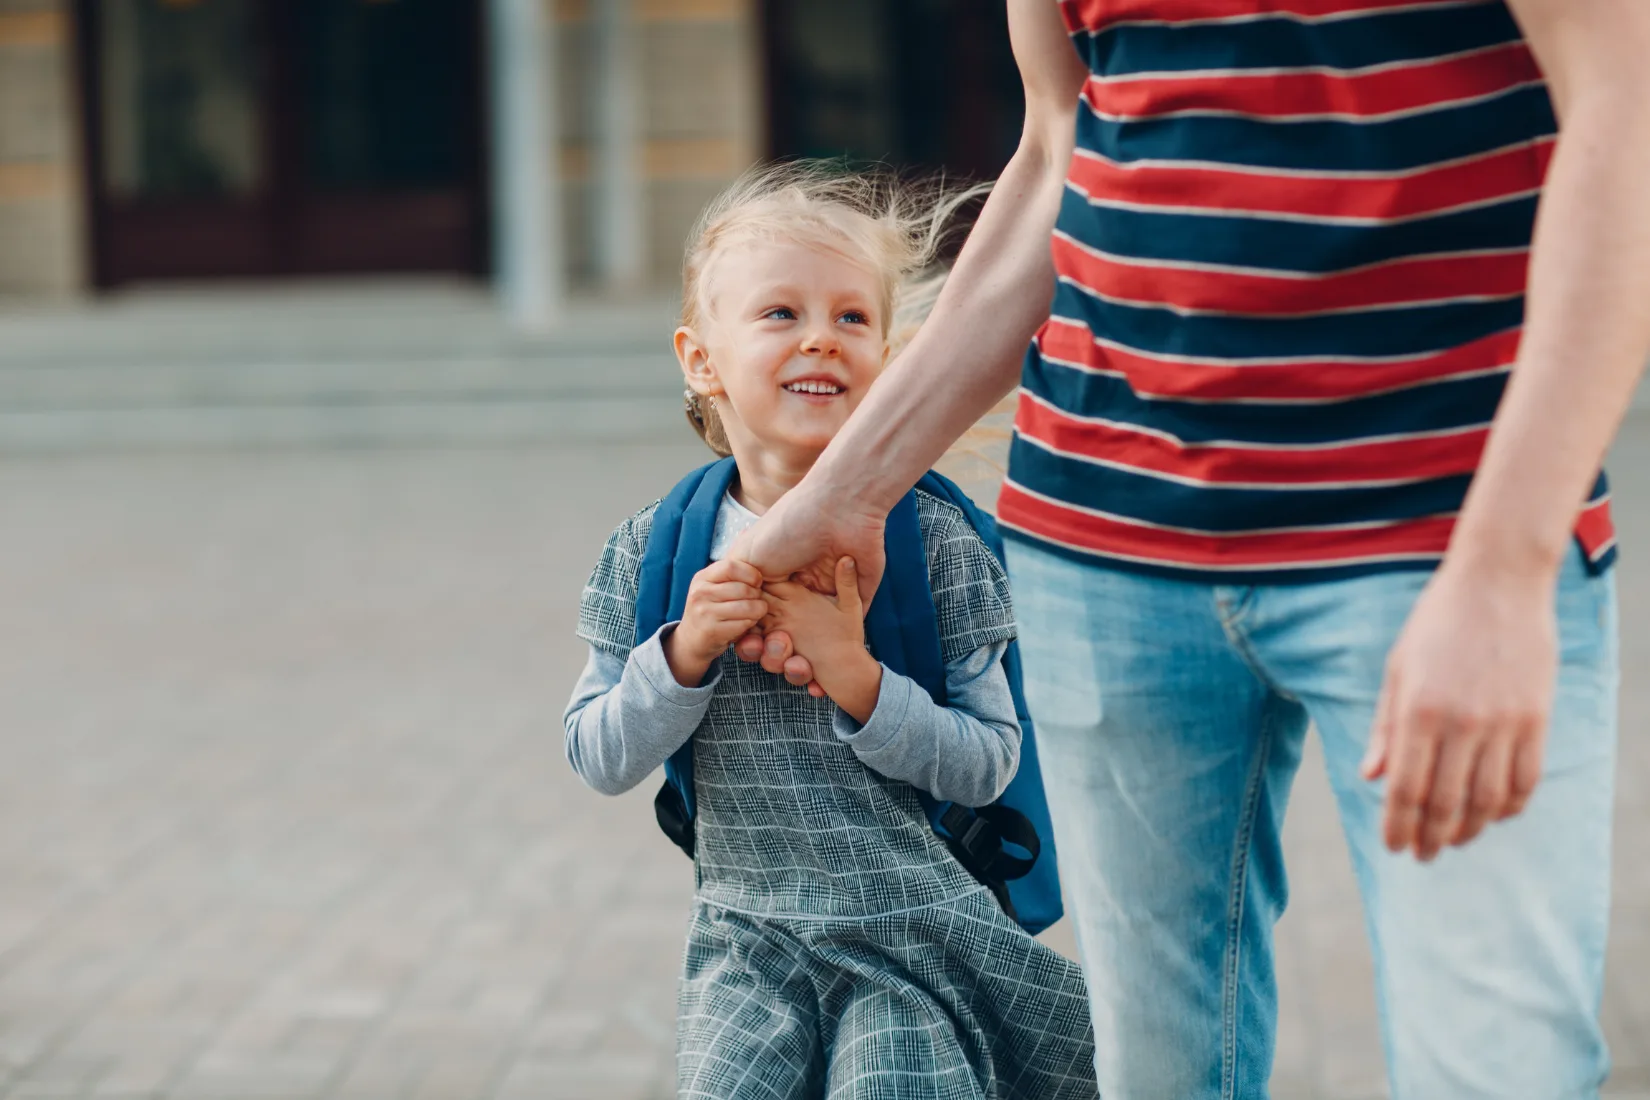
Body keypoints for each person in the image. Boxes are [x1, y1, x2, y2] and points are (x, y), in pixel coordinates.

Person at [734, 1, 1650, 1097]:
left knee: (1501, 1068)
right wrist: (849, 492)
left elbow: (1624, 115)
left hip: (1439, 533)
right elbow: (1058, 148)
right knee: (1161, 1075)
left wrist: (1505, 576)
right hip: (1104, 545)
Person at [561, 163, 1098, 1100]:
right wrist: (682, 657)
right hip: (746, 944)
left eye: (853, 318)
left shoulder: (935, 541)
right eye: (781, 314)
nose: (822, 337)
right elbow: (597, 756)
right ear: (700, 359)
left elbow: (988, 766)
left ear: (890, 361)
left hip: (913, 944)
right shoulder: (652, 552)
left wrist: (859, 678)